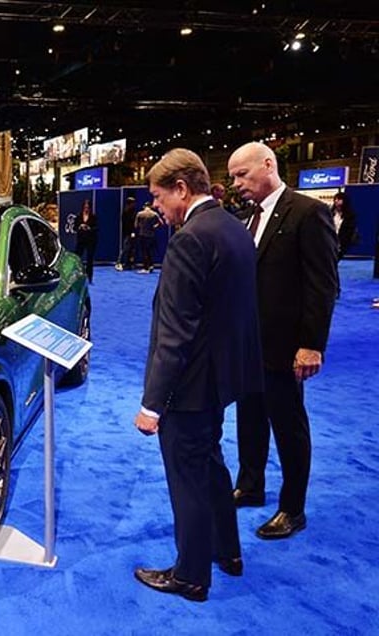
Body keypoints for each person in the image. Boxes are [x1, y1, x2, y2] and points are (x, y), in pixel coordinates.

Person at [133, 148, 263, 602]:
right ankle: (228, 552)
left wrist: (152, 404)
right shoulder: (234, 228)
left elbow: (175, 333)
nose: (157, 208)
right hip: (221, 379)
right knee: (210, 466)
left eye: (158, 196)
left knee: (187, 476)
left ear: (182, 189)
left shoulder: (189, 239)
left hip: (188, 387)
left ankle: (190, 575)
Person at [228, 141, 338, 539]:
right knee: (249, 419)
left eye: (242, 174)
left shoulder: (309, 213)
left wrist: (312, 344)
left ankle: (293, 508)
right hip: (249, 344)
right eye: (233, 176)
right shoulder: (246, 218)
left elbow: (323, 286)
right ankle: (250, 485)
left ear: (268, 164)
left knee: (289, 427)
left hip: (286, 347)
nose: (236, 182)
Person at [74, 198, 98, 283]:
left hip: (91, 240)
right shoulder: (78, 216)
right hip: (81, 240)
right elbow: (74, 227)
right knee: (77, 258)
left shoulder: (93, 217)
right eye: (85, 207)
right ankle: (77, 276)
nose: (86, 209)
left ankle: (89, 277)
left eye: (88, 207)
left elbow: (96, 228)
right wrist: (80, 227)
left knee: (90, 259)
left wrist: (89, 228)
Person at [134, 201, 162, 272]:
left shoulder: (140, 214)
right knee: (150, 251)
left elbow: (136, 225)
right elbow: (161, 223)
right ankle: (151, 265)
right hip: (151, 235)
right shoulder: (154, 214)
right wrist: (154, 227)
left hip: (142, 234)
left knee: (144, 251)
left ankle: (145, 267)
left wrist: (142, 227)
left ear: (144, 206)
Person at [330, 191, 358, 261]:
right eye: (335, 199)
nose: (336, 201)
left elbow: (349, 231)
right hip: (329, 241)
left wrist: (341, 243)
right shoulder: (331, 212)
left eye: (339, 199)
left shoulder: (350, 215)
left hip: (341, 243)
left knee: (334, 261)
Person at [115, 196, 137, 271]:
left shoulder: (132, 211)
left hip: (131, 233)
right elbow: (128, 224)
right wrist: (132, 232)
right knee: (125, 248)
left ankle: (128, 263)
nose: (134, 204)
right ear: (129, 203)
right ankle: (119, 263)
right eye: (133, 203)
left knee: (131, 249)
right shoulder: (126, 212)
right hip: (128, 233)